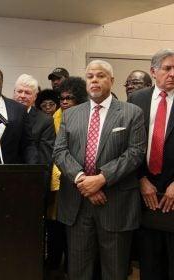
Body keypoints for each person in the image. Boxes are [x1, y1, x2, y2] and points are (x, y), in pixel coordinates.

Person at [53, 60, 146, 280]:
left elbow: (135, 153)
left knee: (115, 271)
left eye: (101, 76)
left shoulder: (132, 112)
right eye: (90, 76)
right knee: (78, 271)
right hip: (78, 203)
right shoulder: (70, 114)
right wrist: (83, 180)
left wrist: (102, 178)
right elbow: (60, 152)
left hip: (115, 204)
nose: (94, 80)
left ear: (112, 81)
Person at [128, 49, 174, 280]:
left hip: (173, 190)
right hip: (144, 191)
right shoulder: (137, 99)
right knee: (150, 263)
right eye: (167, 68)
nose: (173, 74)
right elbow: (126, 144)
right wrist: (141, 179)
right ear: (153, 71)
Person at [46, 77, 88, 274]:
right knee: (55, 226)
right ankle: (55, 266)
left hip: (80, 181)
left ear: (79, 98)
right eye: (61, 98)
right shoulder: (53, 118)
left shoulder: (86, 116)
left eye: (69, 98)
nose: (64, 102)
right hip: (57, 181)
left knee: (77, 232)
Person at [13, 73, 55, 164]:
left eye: (27, 93)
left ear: (35, 97)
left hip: (32, 174)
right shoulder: (3, 115)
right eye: (19, 91)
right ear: (14, 93)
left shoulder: (45, 121)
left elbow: (45, 159)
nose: (22, 96)